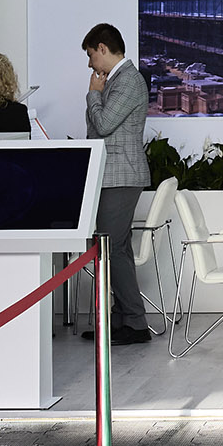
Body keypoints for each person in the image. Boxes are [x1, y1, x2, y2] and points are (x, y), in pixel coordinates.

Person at [83, 24, 152, 346]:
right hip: (114, 175)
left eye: (91, 55)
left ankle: (135, 323)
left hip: (121, 176)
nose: (90, 64)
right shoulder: (118, 79)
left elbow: (104, 124)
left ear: (102, 48)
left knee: (111, 248)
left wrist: (93, 94)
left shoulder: (128, 80)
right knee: (115, 248)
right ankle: (121, 320)